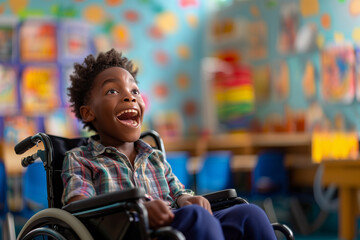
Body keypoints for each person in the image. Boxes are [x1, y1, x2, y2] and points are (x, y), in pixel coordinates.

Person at [61, 48, 277, 240]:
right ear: (88, 113)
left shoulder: (153, 155)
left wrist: (185, 198)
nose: (130, 97)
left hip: (175, 224)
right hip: (129, 230)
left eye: (134, 90)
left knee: (249, 214)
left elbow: (177, 191)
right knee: (196, 217)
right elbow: (79, 206)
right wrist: (140, 210)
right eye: (112, 91)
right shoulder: (80, 158)